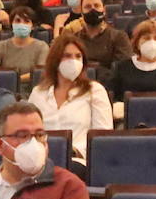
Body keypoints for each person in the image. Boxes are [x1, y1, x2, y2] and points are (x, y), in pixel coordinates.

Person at [28, 34, 111, 172]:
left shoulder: (94, 90)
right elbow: (29, 129)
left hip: (78, 160)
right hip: (40, 159)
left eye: (78, 56)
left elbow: (102, 136)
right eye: (67, 56)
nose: (73, 61)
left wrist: (75, 151)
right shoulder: (38, 93)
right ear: (55, 60)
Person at [111, 20, 156, 100]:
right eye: (146, 38)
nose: (152, 42)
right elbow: (114, 97)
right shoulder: (122, 67)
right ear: (137, 42)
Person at [60, 0, 132, 73]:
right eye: (88, 7)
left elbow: (123, 69)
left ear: (104, 10)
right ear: (81, 13)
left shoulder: (119, 37)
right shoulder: (74, 39)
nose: (93, 10)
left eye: (96, 6)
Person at [0, 7, 51, 79]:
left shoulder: (42, 47)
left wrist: (14, 80)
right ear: (11, 24)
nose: (21, 24)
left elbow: (40, 73)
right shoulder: (0, 46)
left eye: (26, 21)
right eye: (18, 21)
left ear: (33, 26)